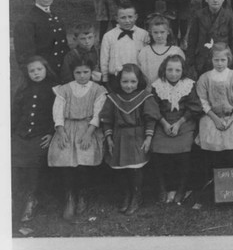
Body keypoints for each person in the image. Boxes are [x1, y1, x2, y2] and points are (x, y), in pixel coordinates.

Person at [47, 57, 107, 221]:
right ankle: (69, 197)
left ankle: (82, 194)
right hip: (67, 127)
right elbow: (57, 111)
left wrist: (89, 133)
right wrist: (60, 131)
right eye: (78, 72)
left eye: (85, 72)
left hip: (87, 128)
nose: (82, 76)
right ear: (73, 73)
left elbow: (98, 114)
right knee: (65, 159)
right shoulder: (64, 89)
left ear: (91, 72)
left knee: (83, 161)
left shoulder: (97, 90)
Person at [99, 64, 161, 215]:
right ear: (119, 81)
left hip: (137, 135)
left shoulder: (144, 97)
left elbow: (150, 119)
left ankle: (136, 196)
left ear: (138, 81)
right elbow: (107, 120)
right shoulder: (113, 98)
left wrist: (148, 138)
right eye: (125, 82)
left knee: (135, 168)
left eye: (133, 82)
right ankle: (127, 194)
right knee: (120, 169)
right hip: (119, 136)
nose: (129, 85)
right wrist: (108, 137)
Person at [151, 55, 203, 205]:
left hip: (184, 121)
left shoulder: (188, 85)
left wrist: (179, 123)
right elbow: (153, 108)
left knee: (184, 149)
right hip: (163, 122)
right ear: (163, 70)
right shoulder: (157, 85)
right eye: (170, 70)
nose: (173, 73)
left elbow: (194, 107)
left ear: (183, 71)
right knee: (157, 148)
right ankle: (162, 188)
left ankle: (181, 188)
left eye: (177, 70)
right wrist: (164, 123)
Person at [196, 43, 233, 182]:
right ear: (211, 60)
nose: (219, 63)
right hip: (212, 117)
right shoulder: (205, 78)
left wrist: (231, 119)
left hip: (232, 117)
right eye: (216, 60)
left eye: (223, 60)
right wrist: (215, 119)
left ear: (228, 60)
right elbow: (203, 102)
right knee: (214, 154)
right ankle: (216, 186)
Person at [11, 56, 57, 222]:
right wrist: (11, 133)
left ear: (46, 70)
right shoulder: (23, 89)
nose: (36, 73)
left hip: (40, 134)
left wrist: (51, 132)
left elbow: (57, 114)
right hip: (21, 134)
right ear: (27, 73)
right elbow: (15, 113)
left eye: (39, 69)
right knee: (14, 167)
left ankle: (32, 199)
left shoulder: (53, 89)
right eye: (32, 71)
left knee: (33, 167)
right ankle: (13, 199)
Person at [14, 0, 69, 77]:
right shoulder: (26, 22)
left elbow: (64, 48)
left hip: (62, 74)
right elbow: (26, 58)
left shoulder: (56, 17)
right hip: (43, 77)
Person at [186, 0, 233, 77]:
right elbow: (192, 40)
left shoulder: (228, 15)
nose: (215, 0)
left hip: (221, 60)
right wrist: (190, 62)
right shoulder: (199, 15)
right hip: (203, 59)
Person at [100, 0, 149, 85]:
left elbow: (147, 58)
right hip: (115, 77)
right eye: (123, 17)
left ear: (136, 17)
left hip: (137, 77)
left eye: (130, 17)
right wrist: (105, 78)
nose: (127, 21)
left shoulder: (143, 34)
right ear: (117, 18)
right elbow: (104, 59)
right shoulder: (109, 36)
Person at [138, 14, 184, 85]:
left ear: (168, 32)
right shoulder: (145, 51)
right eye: (155, 32)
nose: (159, 36)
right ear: (151, 32)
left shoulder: (176, 51)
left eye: (162, 32)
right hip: (150, 88)